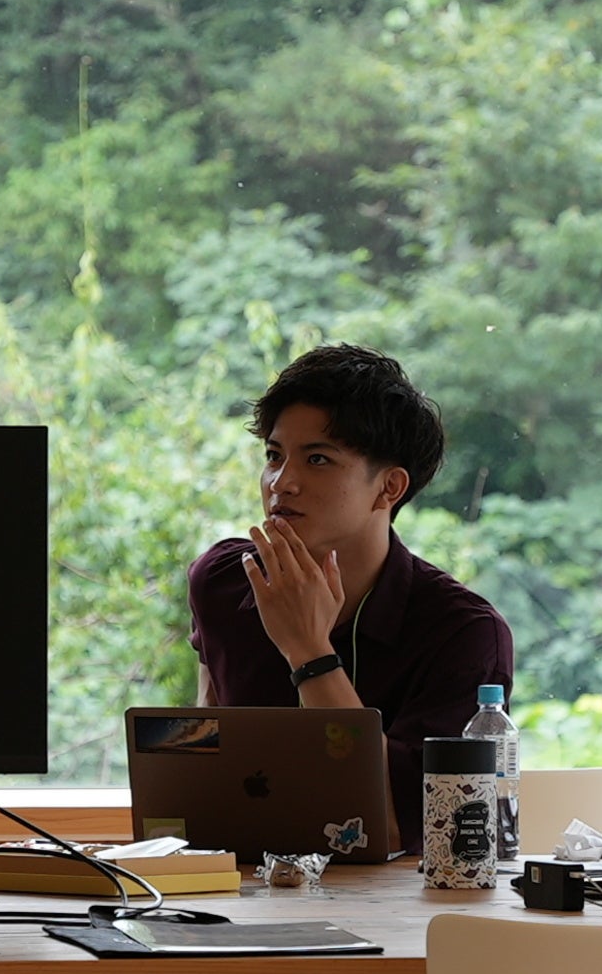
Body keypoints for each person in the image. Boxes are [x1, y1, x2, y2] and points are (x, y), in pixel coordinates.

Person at [183, 343, 512, 832]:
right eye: (274, 455)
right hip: (242, 871)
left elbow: (403, 823)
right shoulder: (223, 580)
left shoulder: (464, 633)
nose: (281, 483)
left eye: (317, 459)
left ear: (389, 488)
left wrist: (309, 653)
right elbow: (202, 754)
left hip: (391, 882)